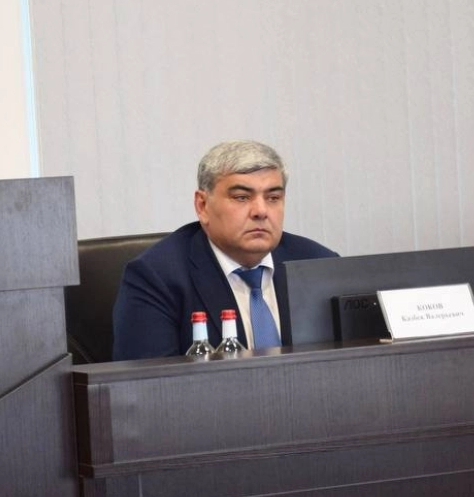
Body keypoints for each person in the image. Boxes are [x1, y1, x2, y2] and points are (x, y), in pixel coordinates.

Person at [111, 140, 337, 359]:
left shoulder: (321, 266)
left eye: (273, 198)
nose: (261, 211)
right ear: (202, 206)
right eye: (241, 197)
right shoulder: (156, 278)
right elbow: (151, 381)